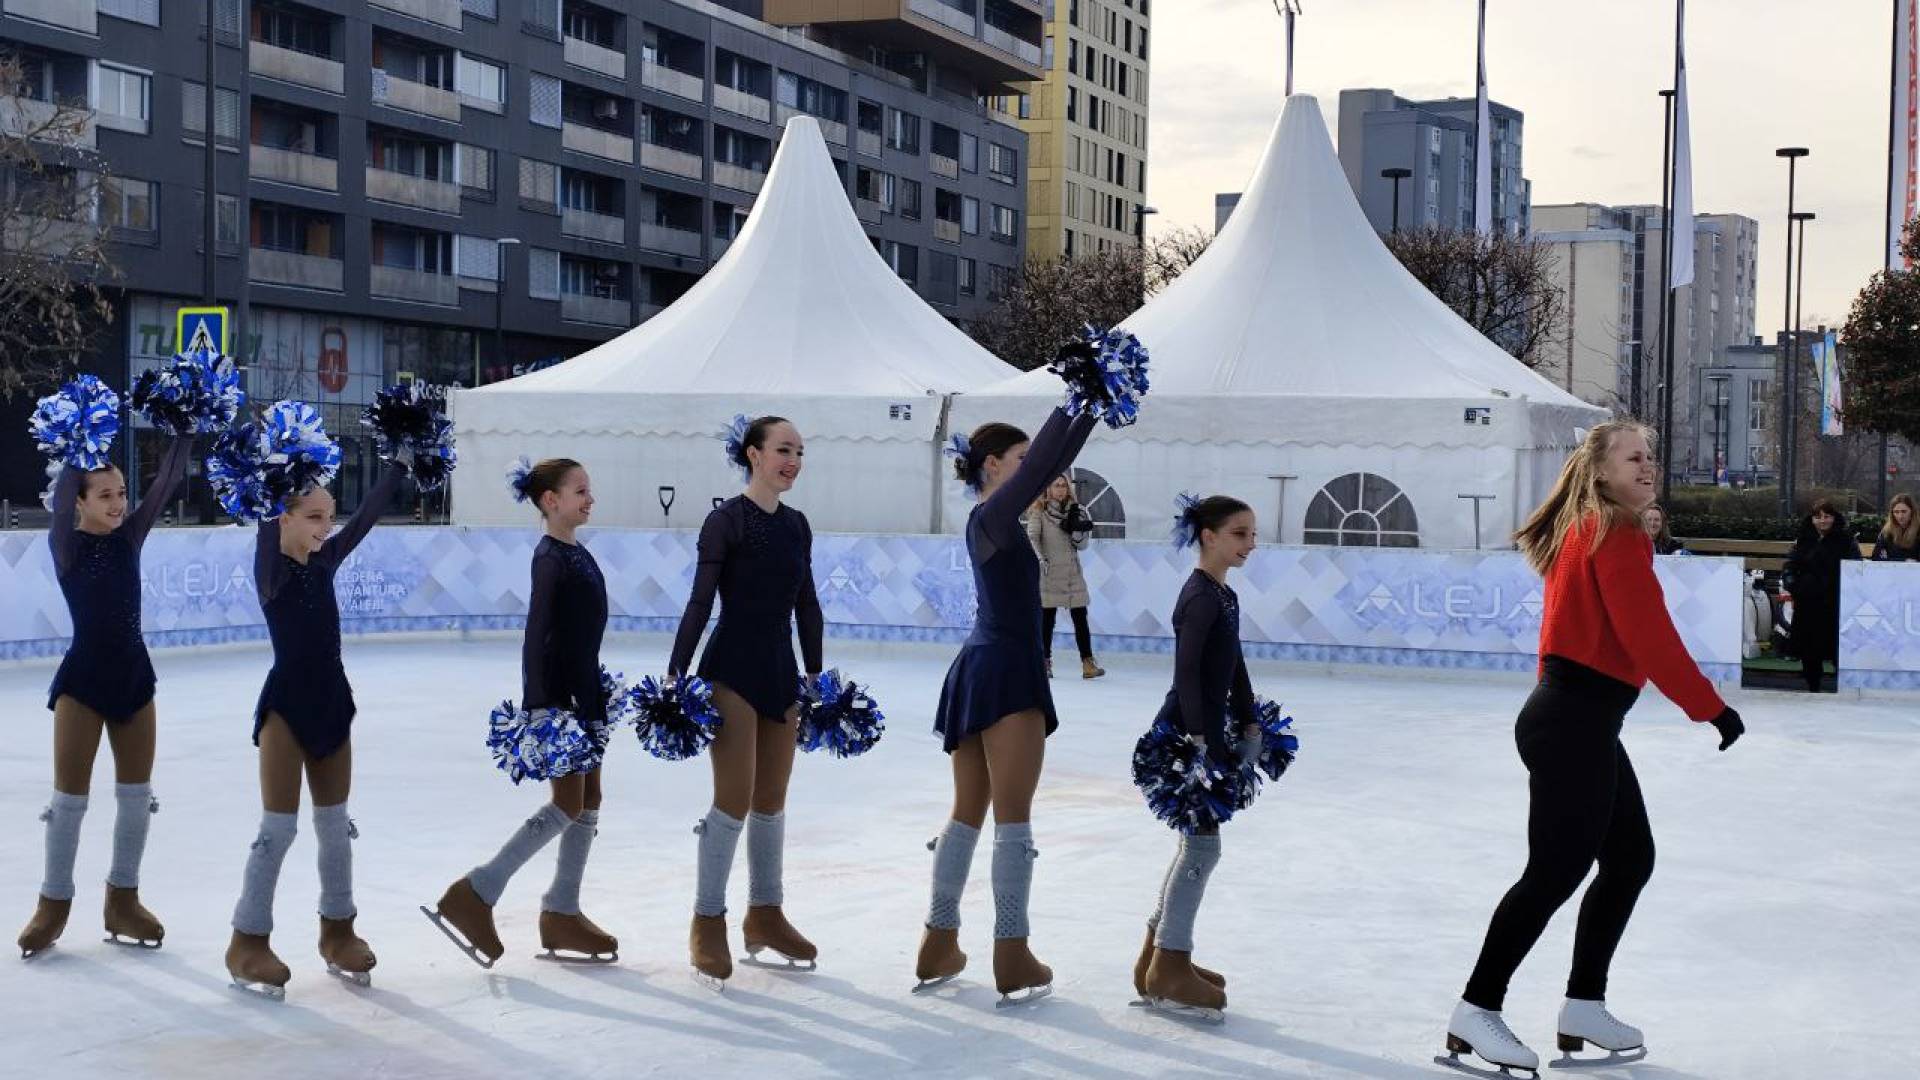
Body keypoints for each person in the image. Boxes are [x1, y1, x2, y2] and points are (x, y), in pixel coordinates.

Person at [1443, 421, 1744, 1075]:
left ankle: (1582, 1004)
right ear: (1602, 472)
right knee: (1555, 871)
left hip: (1579, 719)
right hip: (1572, 720)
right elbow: (1649, 635)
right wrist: (1710, 707)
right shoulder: (1613, 530)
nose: (1649, 466)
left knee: (1630, 858)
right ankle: (1476, 1008)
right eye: (1634, 457)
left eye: (1652, 457)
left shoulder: (1597, 526)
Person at [915, 402, 1102, 1005]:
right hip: (1005, 672)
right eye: (1021, 463)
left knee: (967, 813)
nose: (1036, 473)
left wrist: (1091, 407)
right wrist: (1077, 402)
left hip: (979, 667)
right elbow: (1051, 459)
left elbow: (1054, 459)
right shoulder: (994, 514)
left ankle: (938, 940)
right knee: (1012, 821)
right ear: (992, 466)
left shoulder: (995, 520)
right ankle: (1011, 951)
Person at [429, 458, 619, 967]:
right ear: (550, 501)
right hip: (560, 698)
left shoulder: (577, 552)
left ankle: (563, 909)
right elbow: (537, 634)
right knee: (568, 802)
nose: (590, 498)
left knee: (590, 797)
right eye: (580, 490)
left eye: (589, 489)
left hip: (584, 693)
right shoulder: (550, 558)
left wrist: (591, 696)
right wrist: (540, 706)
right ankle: (478, 890)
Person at [225, 461, 405, 996]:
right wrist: (271, 463)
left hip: (333, 704)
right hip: (285, 710)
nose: (326, 526)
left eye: (329, 516)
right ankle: (247, 940)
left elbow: (366, 518)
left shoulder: (326, 560)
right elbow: (264, 516)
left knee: (334, 826)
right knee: (278, 830)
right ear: (282, 517)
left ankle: (338, 930)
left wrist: (395, 465)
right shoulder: (272, 572)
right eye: (313, 517)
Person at [17, 435, 192, 958]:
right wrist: (78, 438)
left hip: (135, 679)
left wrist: (185, 429)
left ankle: (123, 898)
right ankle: (53, 904)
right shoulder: (66, 546)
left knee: (137, 800)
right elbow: (72, 475)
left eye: (121, 493)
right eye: (105, 496)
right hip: (84, 681)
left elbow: (166, 483)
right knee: (69, 801)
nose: (119, 504)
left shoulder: (130, 537)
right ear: (79, 501)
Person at [670, 417, 825, 985]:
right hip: (730, 670)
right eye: (784, 450)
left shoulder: (798, 525)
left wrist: (816, 676)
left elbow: (807, 604)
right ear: (754, 454)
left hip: (781, 674)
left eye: (800, 452)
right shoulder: (725, 521)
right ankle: (707, 920)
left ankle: (765, 913)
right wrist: (674, 674)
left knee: (772, 801)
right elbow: (699, 603)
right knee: (732, 799)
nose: (794, 460)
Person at [1133, 495, 1259, 1018]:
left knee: (1196, 847)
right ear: (1207, 535)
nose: (1250, 544)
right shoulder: (1200, 597)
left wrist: (1249, 716)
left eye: (1252, 534)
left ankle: (1157, 960)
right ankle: (1170, 963)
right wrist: (1202, 742)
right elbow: (1186, 672)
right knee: (1203, 849)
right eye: (1239, 534)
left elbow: (1231, 662)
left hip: (1203, 733)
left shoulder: (1221, 594)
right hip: (1186, 739)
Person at [1027, 475, 1104, 679]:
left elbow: (1082, 546)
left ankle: (1087, 663)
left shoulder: (1076, 511)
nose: (1061, 490)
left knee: (1080, 618)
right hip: (1049, 573)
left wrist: (1078, 531)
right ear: (1048, 489)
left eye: (1064, 486)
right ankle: (1044, 662)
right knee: (1047, 620)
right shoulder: (1039, 512)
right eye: (1056, 485)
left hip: (1071, 573)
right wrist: (1041, 560)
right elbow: (1032, 538)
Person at [1782, 499, 1861, 693]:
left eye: (1827, 516)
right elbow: (1790, 566)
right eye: (1818, 517)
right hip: (1808, 602)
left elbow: (1856, 567)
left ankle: (1843, 687)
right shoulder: (1802, 539)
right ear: (1812, 518)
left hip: (1837, 603)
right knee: (1809, 649)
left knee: (1838, 647)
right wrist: (1794, 585)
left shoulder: (1846, 540)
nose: (1823, 520)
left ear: (1834, 518)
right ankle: (1813, 686)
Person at [1871, 493, 1918, 562]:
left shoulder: (1918, 531)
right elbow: (1876, 557)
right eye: (1896, 512)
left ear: (1912, 512)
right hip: (1891, 571)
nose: (1900, 516)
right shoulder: (1886, 532)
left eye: (1904, 512)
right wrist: (1903, 560)